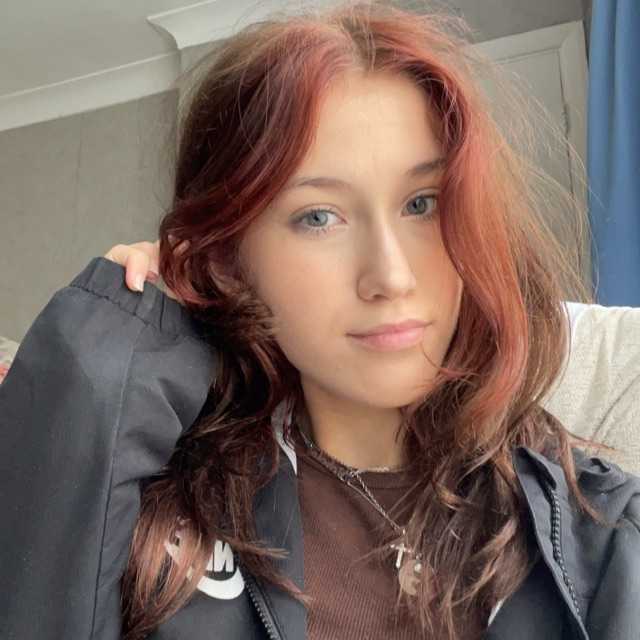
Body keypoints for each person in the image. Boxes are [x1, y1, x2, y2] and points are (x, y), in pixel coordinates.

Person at [1, 2, 639, 639]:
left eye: (422, 204)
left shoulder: (602, 537)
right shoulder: (160, 520)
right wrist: (110, 342)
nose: (391, 276)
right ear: (229, 261)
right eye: (318, 217)